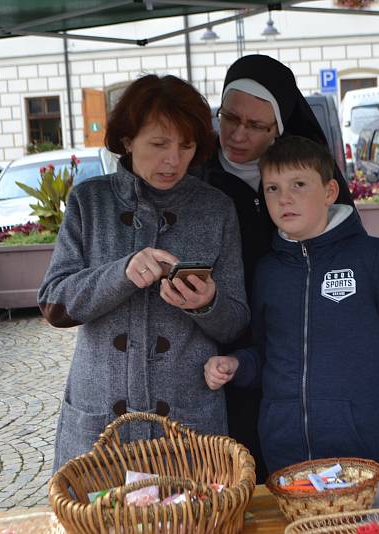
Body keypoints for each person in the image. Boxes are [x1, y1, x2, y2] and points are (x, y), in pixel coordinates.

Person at [39, 75, 249, 472]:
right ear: (127, 140)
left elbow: (236, 321)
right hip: (101, 424)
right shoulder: (90, 201)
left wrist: (208, 304)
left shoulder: (216, 209)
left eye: (186, 146)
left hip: (189, 429)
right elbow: (54, 303)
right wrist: (122, 273)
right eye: (158, 144)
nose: (173, 160)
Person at [204, 136, 379, 473]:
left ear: (330, 192)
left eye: (298, 185)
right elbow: (266, 353)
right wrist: (238, 365)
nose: (284, 198)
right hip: (283, 450)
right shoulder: (267, 270)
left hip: (358, 446)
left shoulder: (373, 258)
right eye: (272, 188)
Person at [199, 54, 355, 481]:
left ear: (279, 129)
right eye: (229, 117)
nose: (237, 134)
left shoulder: (303, 178)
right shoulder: (198, 179)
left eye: (256, 126)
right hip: (222, 359)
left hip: (297, 355)